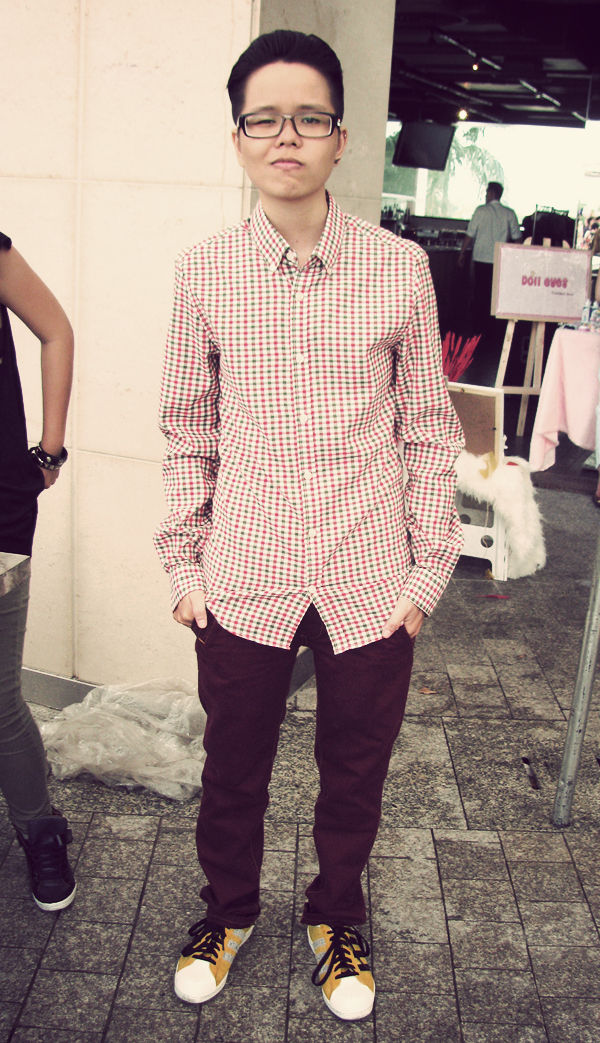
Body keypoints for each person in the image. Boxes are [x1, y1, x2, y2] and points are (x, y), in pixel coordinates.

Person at [155, 30, 464, 1022]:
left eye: (309, 118)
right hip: (242, 572)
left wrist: (426, 578)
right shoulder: (205, 270)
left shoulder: (400, 268)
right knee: (232, 767)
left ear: (340, 137)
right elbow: (187, 426)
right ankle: (227, 912)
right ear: (238, 138)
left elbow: (428, 430)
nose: (286, 137)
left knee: (356, 773)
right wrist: (184, 567)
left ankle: (337, 918)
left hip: (371, 573)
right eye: (264, 119)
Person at [0, 233, 76, 910]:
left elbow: (56, 330)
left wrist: (50, 451)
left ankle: (39, 828)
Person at [459, 181, 521, 328]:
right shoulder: (509, 213)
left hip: (480, 258)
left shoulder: (480, 211)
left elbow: (469, 234)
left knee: (480, 294)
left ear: (492, 194)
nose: (486, 195)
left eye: (487, 192)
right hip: (500, 260)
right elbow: (518, 238)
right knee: (496, 295)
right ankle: (493, 328)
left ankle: (478, 327)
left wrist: (462, 253)